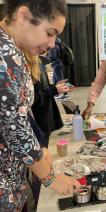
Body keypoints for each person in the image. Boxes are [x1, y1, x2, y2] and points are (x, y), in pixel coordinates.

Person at [0, 0, 80, 211]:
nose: (53, 44)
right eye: (49, 32)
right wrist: (51, 178)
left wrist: (38, 146)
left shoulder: (13, 50)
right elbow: (14, 127)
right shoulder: (5, 56)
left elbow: (21, 112)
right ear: (24, 16)